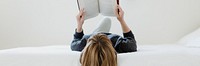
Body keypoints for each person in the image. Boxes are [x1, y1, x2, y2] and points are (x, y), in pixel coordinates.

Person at [71, 5, 137, 66]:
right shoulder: (117, 44)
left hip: (93, 36)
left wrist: (79, 25)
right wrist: (121, 20)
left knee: (106, 20)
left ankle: (97, 31)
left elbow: (75, 41)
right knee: (107, 20)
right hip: (98, 37)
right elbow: (131, 39)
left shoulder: (84, 43)